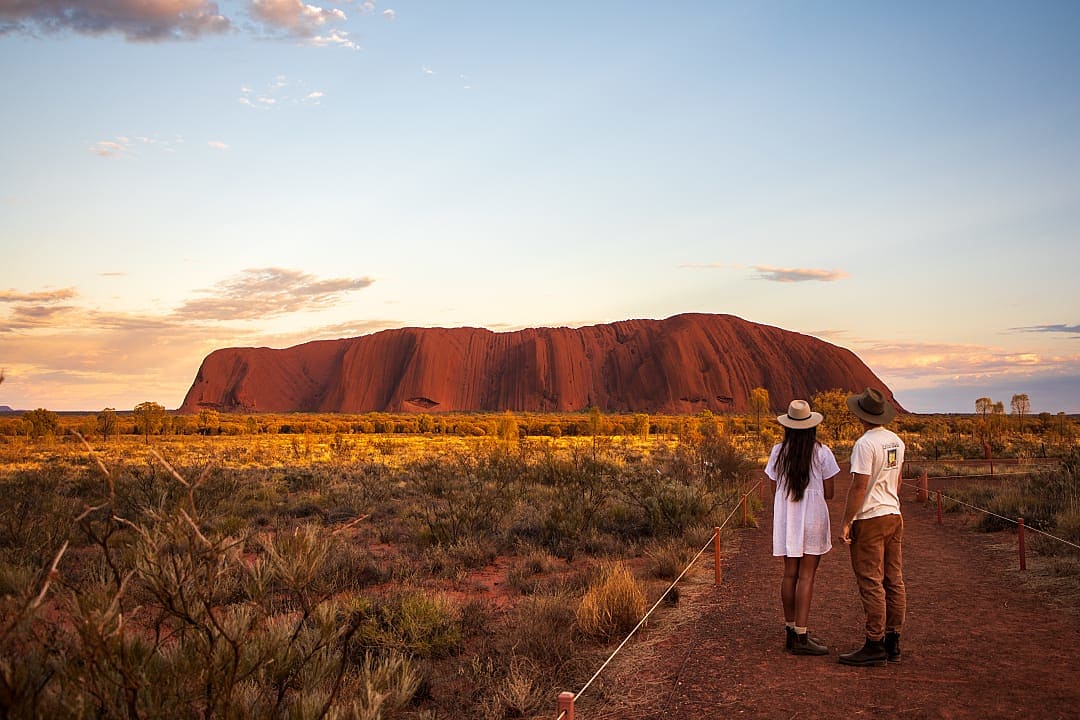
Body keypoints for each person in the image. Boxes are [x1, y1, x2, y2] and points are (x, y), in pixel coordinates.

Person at [765, 399, 840, 656]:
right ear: (811, 427)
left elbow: (773, 486)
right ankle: (801, 635)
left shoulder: (778, 451)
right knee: (807, 575)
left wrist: (787, 500)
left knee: (790, 574)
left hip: (787, 517)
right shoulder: (821, 452)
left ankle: (789, 629)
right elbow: (830, 492)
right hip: (813, 518)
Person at [838, 387, 906, 667]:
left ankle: (874, 643)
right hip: (894, 514)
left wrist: (846, 521)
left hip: (871, 518)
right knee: (894, 578)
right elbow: (898, 480)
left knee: (870, 580)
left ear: (861, 415)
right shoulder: (897, 442)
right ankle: (893, 641)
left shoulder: (865, 444)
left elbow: (859, 486)